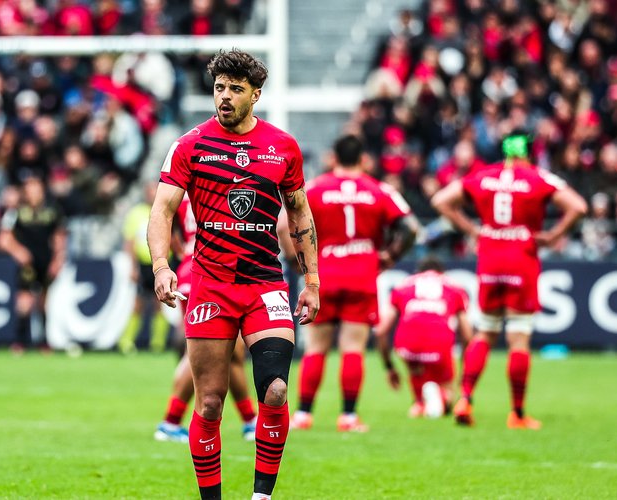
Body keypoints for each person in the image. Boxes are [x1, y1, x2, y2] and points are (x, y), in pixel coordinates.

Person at [147, 49, 319, 500]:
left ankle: (261, 497)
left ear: (255, 95)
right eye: (219, 87)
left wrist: (312, 282)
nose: (224, 96)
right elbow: (162, 210)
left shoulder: (282, 147)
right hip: (210, 285)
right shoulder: (190, 145)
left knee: (276, 391)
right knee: (208, 402)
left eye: (235, 89)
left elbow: (300, 214)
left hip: (265, 285)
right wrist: (162, 266)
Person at [432, 131, 587, 428]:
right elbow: (578, 207)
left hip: (490, 258)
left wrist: (472, 230)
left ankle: (465, 399)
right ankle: (517, 413)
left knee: (485, 332)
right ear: (528, 153)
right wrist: (554, 235)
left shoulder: (483, 176)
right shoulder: (538, 178)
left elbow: (440, 200)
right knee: (518, 337)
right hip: (521, 258)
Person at [290, 134, 418, 432]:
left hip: (322, 277)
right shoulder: (379, 190)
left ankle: (303, 415)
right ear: (364, 160)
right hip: (362, 276)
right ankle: (348, 417)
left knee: (316, 348)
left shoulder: (316, 188)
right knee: (352, 348)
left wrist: (298, 261)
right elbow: (411, 228)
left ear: (334, 158)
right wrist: (390, 256)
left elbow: (287, 224)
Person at [154, 195, 258, 443]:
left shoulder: (180, 193)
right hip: (209, 272)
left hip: (193, 269)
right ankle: (171, 421)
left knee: (228, 350)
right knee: (205, 350)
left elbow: (168, 229)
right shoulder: (218, 188)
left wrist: (182, 253)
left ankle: (249, 420)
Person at [375, 257, 473, 418]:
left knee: (416, 368)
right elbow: (467, 334)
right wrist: (466, 365)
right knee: (448, 390)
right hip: (439, 341)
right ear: (442, 272)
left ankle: (420, 402)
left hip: (407, 344)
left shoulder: (404, 285)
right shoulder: (453, 286)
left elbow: (381, 331)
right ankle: (443, 397)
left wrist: (389, 367)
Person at [0, 175, 67, 353]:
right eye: (31, 190)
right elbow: (3, 239)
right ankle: (20, 341)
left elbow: (59, 237)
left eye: (37, 189)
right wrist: (18, 251)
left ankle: (44, 342)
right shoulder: (16, 212)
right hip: (27, 263)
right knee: (24, 301)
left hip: (45, 261)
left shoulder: (52, 211)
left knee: (43, 302)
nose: (35, 193)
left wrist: (58, 259)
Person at [119, 181, 171, 354]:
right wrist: (133, 267)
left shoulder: (167, 211)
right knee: (138, 304)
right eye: (150, 192)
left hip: (162, 265)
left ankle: (158, 343)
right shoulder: (136, 213)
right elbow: (130, 242)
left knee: (160, 303)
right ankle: (126, 341)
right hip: (143, 265)